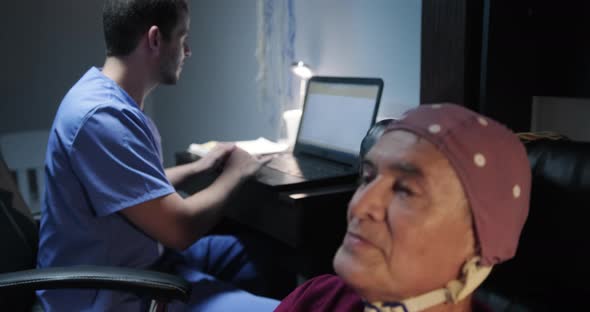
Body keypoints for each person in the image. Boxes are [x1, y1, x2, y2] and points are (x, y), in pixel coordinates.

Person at [37, 0, 279, 311]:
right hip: (113, 289)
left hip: (142, 260)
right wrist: (237, 172)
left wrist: (198, 169)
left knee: (259, 253)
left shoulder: (101, 96)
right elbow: (181, 230)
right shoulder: (101, 117)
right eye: (182, 37)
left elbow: (131, 189)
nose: (187, 50)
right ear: (154, 39)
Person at [275, 103, 531, 312]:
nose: (360, 204)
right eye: (367, 178)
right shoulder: (318, 299)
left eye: (405, 191)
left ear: (480, 245)